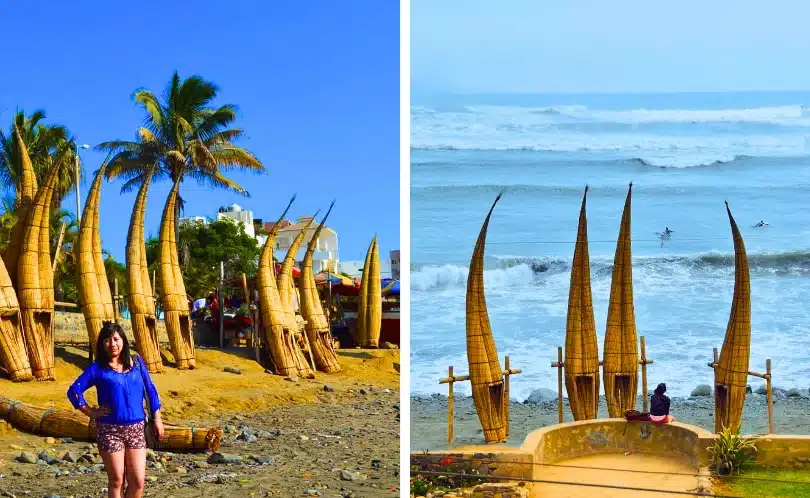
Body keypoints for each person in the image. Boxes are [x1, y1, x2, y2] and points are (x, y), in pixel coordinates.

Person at [67, 322, 164, 498]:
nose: (112, 344)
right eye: (107, 340)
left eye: (116, 339)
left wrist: (157, 419)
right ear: (101, 344)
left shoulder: (136, 362)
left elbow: (150, 390)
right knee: (117, 479)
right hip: (109, 430)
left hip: (136, 429)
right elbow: (74, 391)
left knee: (138, 481)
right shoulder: (97, 369)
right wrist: (91, 412)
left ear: (123, 341)